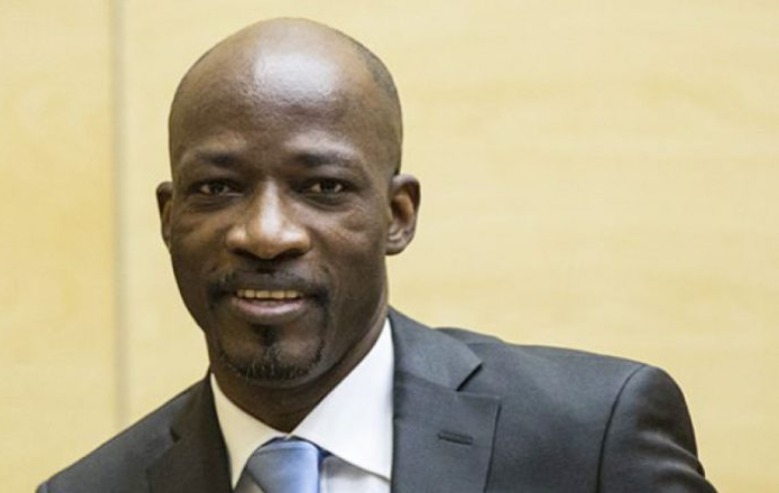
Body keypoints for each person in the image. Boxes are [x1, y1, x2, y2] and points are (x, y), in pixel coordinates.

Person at [39, 18, 716, 492]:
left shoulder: (591, 438)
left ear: (397, 216)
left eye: (322, 187)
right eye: (217, 188)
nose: (266, 234)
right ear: (169, 218)